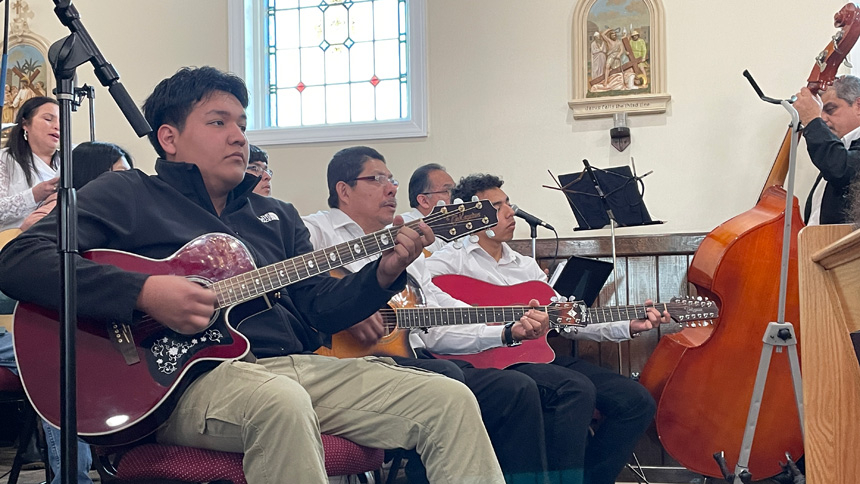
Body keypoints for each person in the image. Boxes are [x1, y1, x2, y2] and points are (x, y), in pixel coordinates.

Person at [0, 67, 504, 484]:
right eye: (219, 122)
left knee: (449, 398)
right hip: (178, 385)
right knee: (279, 402)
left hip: (289, 369)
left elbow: (319, 307)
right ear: (169, 138)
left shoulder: (276, 216)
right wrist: (145, 292)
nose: (239, 136)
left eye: (241, 123)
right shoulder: (127, 194)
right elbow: (19, 260)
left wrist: (385, 270)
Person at [302, 147, 550, 483]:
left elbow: (438, 317)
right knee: (445, 374)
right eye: (377, 179)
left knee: (516, 389)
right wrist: (346, 308)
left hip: (409, 353)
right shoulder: (313, 230)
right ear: (344, 190)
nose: (391, 188)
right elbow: (292, 284)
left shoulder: (405, 244)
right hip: (342, 363)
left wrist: (507, 328)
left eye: (392, 180)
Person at [425, 173, 672, 484]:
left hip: (538, 357)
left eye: (508, 204)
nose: (509, 212)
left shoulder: (525, 267)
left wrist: (628, 325)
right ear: (473, 217)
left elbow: (566, 321)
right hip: (489, 365)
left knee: (636, 401)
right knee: (575, 389)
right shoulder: (445, 264)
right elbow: (432, 325)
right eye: (497, 207)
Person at [21, 141, 133, 230]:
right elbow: (31, 226)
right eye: (121, 172)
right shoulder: (61, 205)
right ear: (93, 173)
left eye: (130, 173)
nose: (130, 178)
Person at [794, 75, 860, 225]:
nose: (823, 118)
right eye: (820, 111)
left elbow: (840, 170)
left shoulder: (838, 156)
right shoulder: (841, 150)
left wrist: (812, 120)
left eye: (830, 109)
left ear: (858, 106)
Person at [0, 96, 60, 232]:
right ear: (25, 124)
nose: (57, 126)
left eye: (62, 121)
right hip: (14, 243)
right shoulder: (4, 159)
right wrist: (34, 195)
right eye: (48, 119)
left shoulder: (68, 162)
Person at [401, 163, 457, 252]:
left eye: (454, 190)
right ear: (424, 200)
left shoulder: (455, 226)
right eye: (447, 191)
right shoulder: (404, 228)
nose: (455, 196)